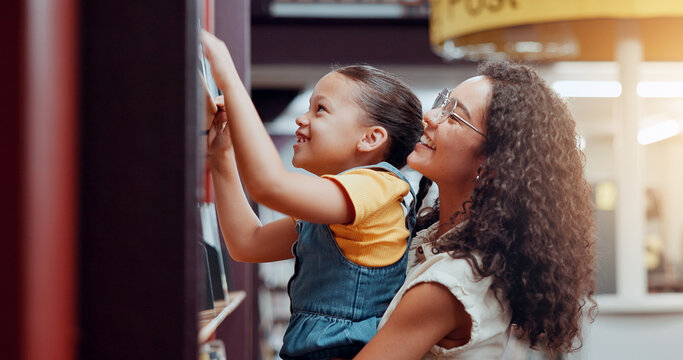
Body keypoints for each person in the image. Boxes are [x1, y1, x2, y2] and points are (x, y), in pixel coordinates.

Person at [200, 31, 424, 360]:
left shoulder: (378, 187)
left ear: (371, 138)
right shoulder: (336, 206)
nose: (301, 119)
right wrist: (222, 158)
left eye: (320, 109)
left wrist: (229, 80)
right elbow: (248, 243)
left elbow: (270, 185)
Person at [354, 61, 597, 360]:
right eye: (444, 102)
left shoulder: (450, 282)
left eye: (454, 115)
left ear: (492, 165)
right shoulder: (431, 237)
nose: (430, 117)